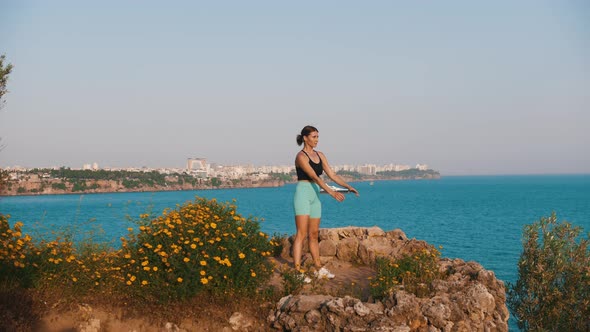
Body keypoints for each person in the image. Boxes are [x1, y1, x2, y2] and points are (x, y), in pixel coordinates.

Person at [292, 125, 359, 281]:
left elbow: (332, 174)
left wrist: (347, 187)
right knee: (301, 234)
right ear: (305, 138)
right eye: (314, 137)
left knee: (314, 234)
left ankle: (318, 268)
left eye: (318, 137)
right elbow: (315, 177)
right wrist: (331, 192)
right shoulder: (300, 157)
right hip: (303, 194)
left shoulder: (320, 155)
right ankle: (296, 272)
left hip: (315, 194)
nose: (317, 140)